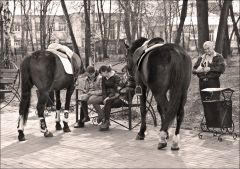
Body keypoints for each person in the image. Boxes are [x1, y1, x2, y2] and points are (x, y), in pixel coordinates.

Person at [98, 65, 133, 131]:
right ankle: (105, 120)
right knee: (108, 102)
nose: (101, 75)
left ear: (105, 71)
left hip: (120, 98)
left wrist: (108, 97)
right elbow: (103, 89)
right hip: (111, 97)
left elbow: (117, 91)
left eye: (101, 73)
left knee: (108, 102)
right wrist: (105, 97)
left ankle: (105, 119)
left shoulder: (117, 77)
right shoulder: (104, 78)